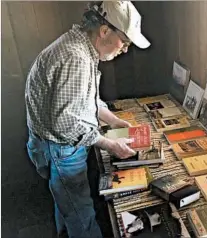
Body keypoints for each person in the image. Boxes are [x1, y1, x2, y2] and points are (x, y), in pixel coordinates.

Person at [24, 1, 150, 237]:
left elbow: (85, 100)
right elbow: (66, 124)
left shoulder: (82, 46)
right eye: (125, 42)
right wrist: (109, 143)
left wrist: (113, 121)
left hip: (54, 143)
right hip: (61, 147)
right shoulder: (76, 58)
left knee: (67, 206)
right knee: (81, 217)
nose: (124, 50)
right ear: (104, 31)